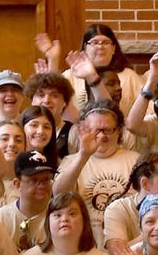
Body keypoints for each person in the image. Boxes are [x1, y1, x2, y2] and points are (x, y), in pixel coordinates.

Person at [54, 102, 140, 243]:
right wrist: (83, 155)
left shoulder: (136, 160)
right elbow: (59, 195)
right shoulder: (70, 161)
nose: (101, 136)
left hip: (129, 245)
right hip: (87, 248)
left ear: (118, 131)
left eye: (107, 130)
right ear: (83, 131)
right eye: (95, 131)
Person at [0, 149, 57, 252]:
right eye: (34, 180)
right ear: (17, 184)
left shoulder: (58, 217)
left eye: (46, 179)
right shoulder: (0, 219)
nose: (41, 185)